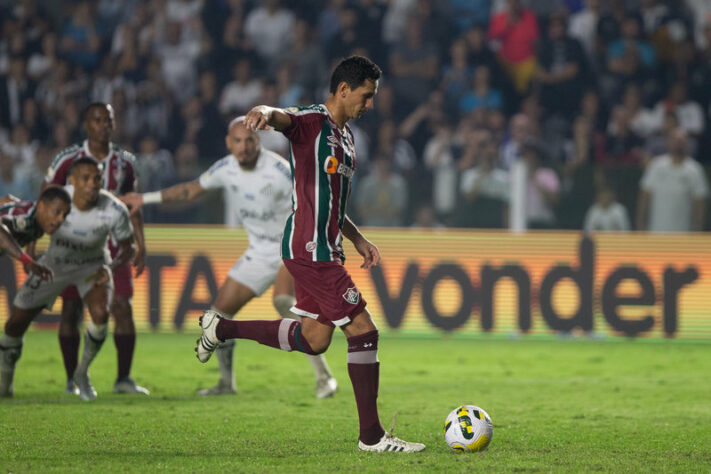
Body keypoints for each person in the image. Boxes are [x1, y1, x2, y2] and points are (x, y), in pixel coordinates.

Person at [196, 55, 425, 452]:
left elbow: (333, 203)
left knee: (316, 339)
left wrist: (357, 238)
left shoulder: (346, 137)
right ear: (343, 90)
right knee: (364, 331)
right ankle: (371, 438)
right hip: (309, 249)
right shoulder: (314, 122)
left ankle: (221, 328)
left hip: (327, 248)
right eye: (366, 96)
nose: (369, 104)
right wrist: (262, 111)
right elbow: (283, 117)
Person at [120, 117, 338, 398]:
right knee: (218, 316)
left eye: (249, 141)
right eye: (238, 141)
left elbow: (314, 201)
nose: (244, 147)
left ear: (258, 141)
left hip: (290, 247)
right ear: (228, 143)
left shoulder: (280, 171)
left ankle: (324, 378)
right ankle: (226, 383)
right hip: (258, 252)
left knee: (283, 301)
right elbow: (189, 190)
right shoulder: (225, 169)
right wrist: (144, 199)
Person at [1, 157, 134, 399]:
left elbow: (129, 249)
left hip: (92, 266)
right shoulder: (58, 200)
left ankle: (81, 374)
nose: (92, 184)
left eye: (97, 178)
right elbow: (32, 216)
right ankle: (5, 384)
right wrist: (29, 256)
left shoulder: (114, 210)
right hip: (55, 264)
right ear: (72, 181)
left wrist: (111, 267)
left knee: (101, 314)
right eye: (85, 178)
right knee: (15, 322)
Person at [41, 102, 148, 395]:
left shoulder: (125, 162)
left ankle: (123, 379)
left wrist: (141, 241)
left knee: (122, 308)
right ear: (86, 124)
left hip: (115, 248)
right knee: (72, 310)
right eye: (97, 120)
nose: (103, 125)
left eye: (108, 121)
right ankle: (70, 380)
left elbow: (132, 204)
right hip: (74, 248)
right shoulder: (68, 159)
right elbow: (46, 196)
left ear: (114, 125)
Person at [636, 128, 709, 232]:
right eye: (674, 140)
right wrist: (640, 227)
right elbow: (644, 198)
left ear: (686, 143)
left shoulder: (695, 170)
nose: (677, 143)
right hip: (656, 234)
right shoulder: (656, 166)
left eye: (681, 140)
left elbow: (700, 204)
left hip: (684, 237)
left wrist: (698, 231)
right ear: (668, 142)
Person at [0, 186, 72, 280]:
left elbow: (28, 265)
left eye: (65, 215)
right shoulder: (26, 218)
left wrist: (35, 266)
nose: (61, 220)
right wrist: (27, 261)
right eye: (57, 212)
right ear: (41, 206)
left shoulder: (38, 225)